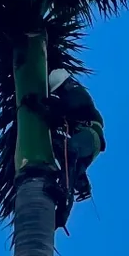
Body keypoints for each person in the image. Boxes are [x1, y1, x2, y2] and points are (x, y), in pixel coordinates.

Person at [38, 68, 106, 227]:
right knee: (67, 159)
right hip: (87, 142)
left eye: (59, 90)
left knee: (69, 150)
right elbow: (59, 115)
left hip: (89, 136)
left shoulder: (77, 92)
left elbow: (64, 108)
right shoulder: (70, 96)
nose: (59, 93)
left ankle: (65, 189)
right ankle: (62, 212)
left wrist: (40, 104)